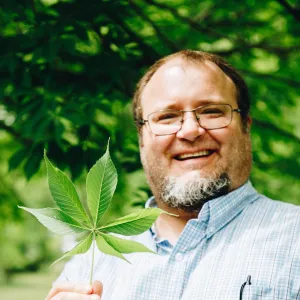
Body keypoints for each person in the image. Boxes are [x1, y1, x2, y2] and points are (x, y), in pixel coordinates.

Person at [46, 50, 300, 300]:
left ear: (246, 126)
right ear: (142, 140)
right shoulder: (91, 263)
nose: (190, 130)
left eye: (211, 111)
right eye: (167, 117)